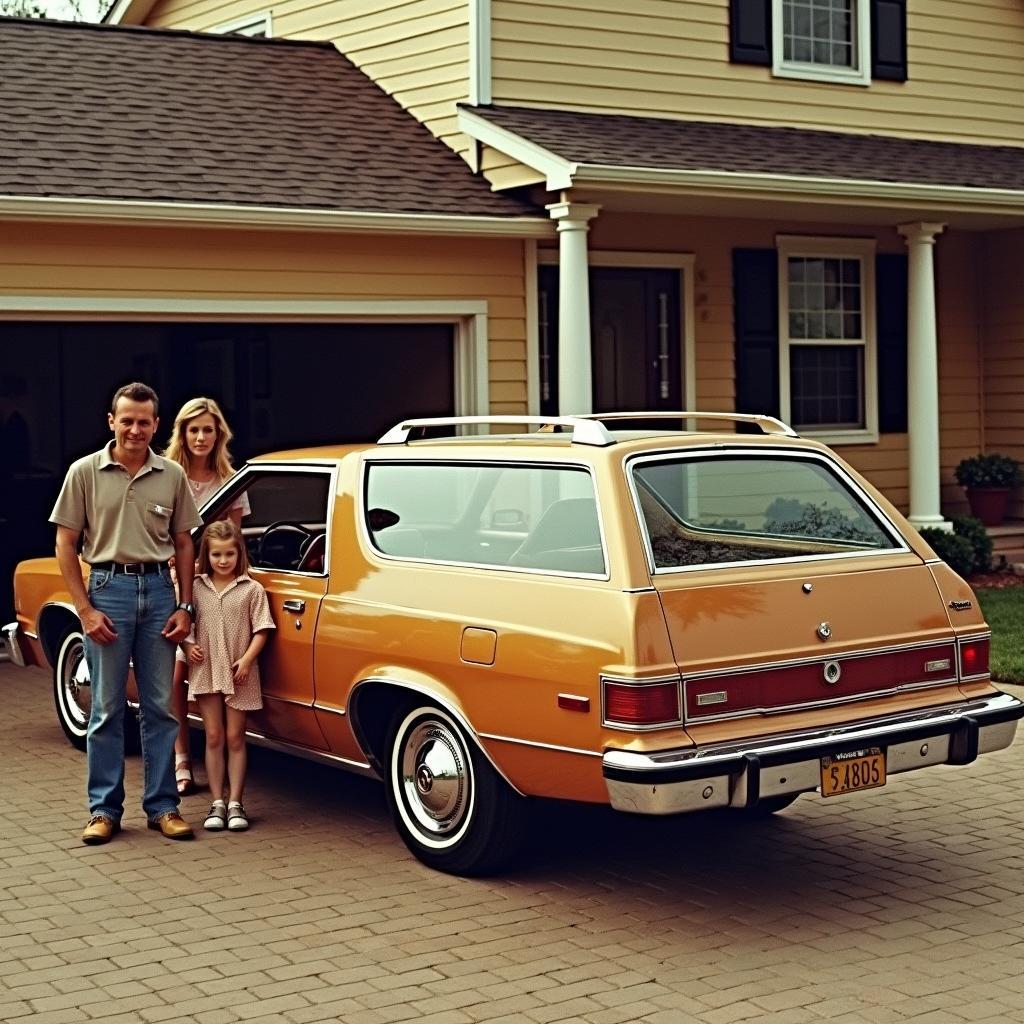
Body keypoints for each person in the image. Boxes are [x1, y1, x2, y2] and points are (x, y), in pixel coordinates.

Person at [50, 382, 202, 845]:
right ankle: (103, 810)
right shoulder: (84, 472)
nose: (135, 429)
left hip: (159, 591)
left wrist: (185, 605)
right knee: (106, 707)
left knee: (159, 707)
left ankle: (162, 808)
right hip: (107, 591)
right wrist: (84, 609)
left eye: (144, 421)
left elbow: (183, 542)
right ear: (111, 421)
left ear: (156, 425)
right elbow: (65, 544)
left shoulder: (171, 474)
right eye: (127, 420)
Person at [162, 397, 249, 795]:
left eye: (207, 430)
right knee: (176, 675)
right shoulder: (165, 476)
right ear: (182, 433)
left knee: (198, 670)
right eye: (193, 430)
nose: (200, 437)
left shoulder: (231, 479)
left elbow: (235, 538)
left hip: (213, 587)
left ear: (219, 435)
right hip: (171, 582)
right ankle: (182, 756)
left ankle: (207, 750)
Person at [183, 519, 275, 832]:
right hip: (206, 667)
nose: (223, 561)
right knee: (213, 736)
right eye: (216, 555)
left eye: (229, 555)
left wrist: (248, 660)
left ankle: (236, 802)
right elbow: (183, 623)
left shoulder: (252, 589)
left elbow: (262, 629)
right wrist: (189, 644)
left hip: (240, 672)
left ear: (239, 554)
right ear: (205, 555)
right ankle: (216, 803)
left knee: (236, 737)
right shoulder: (195, 587)